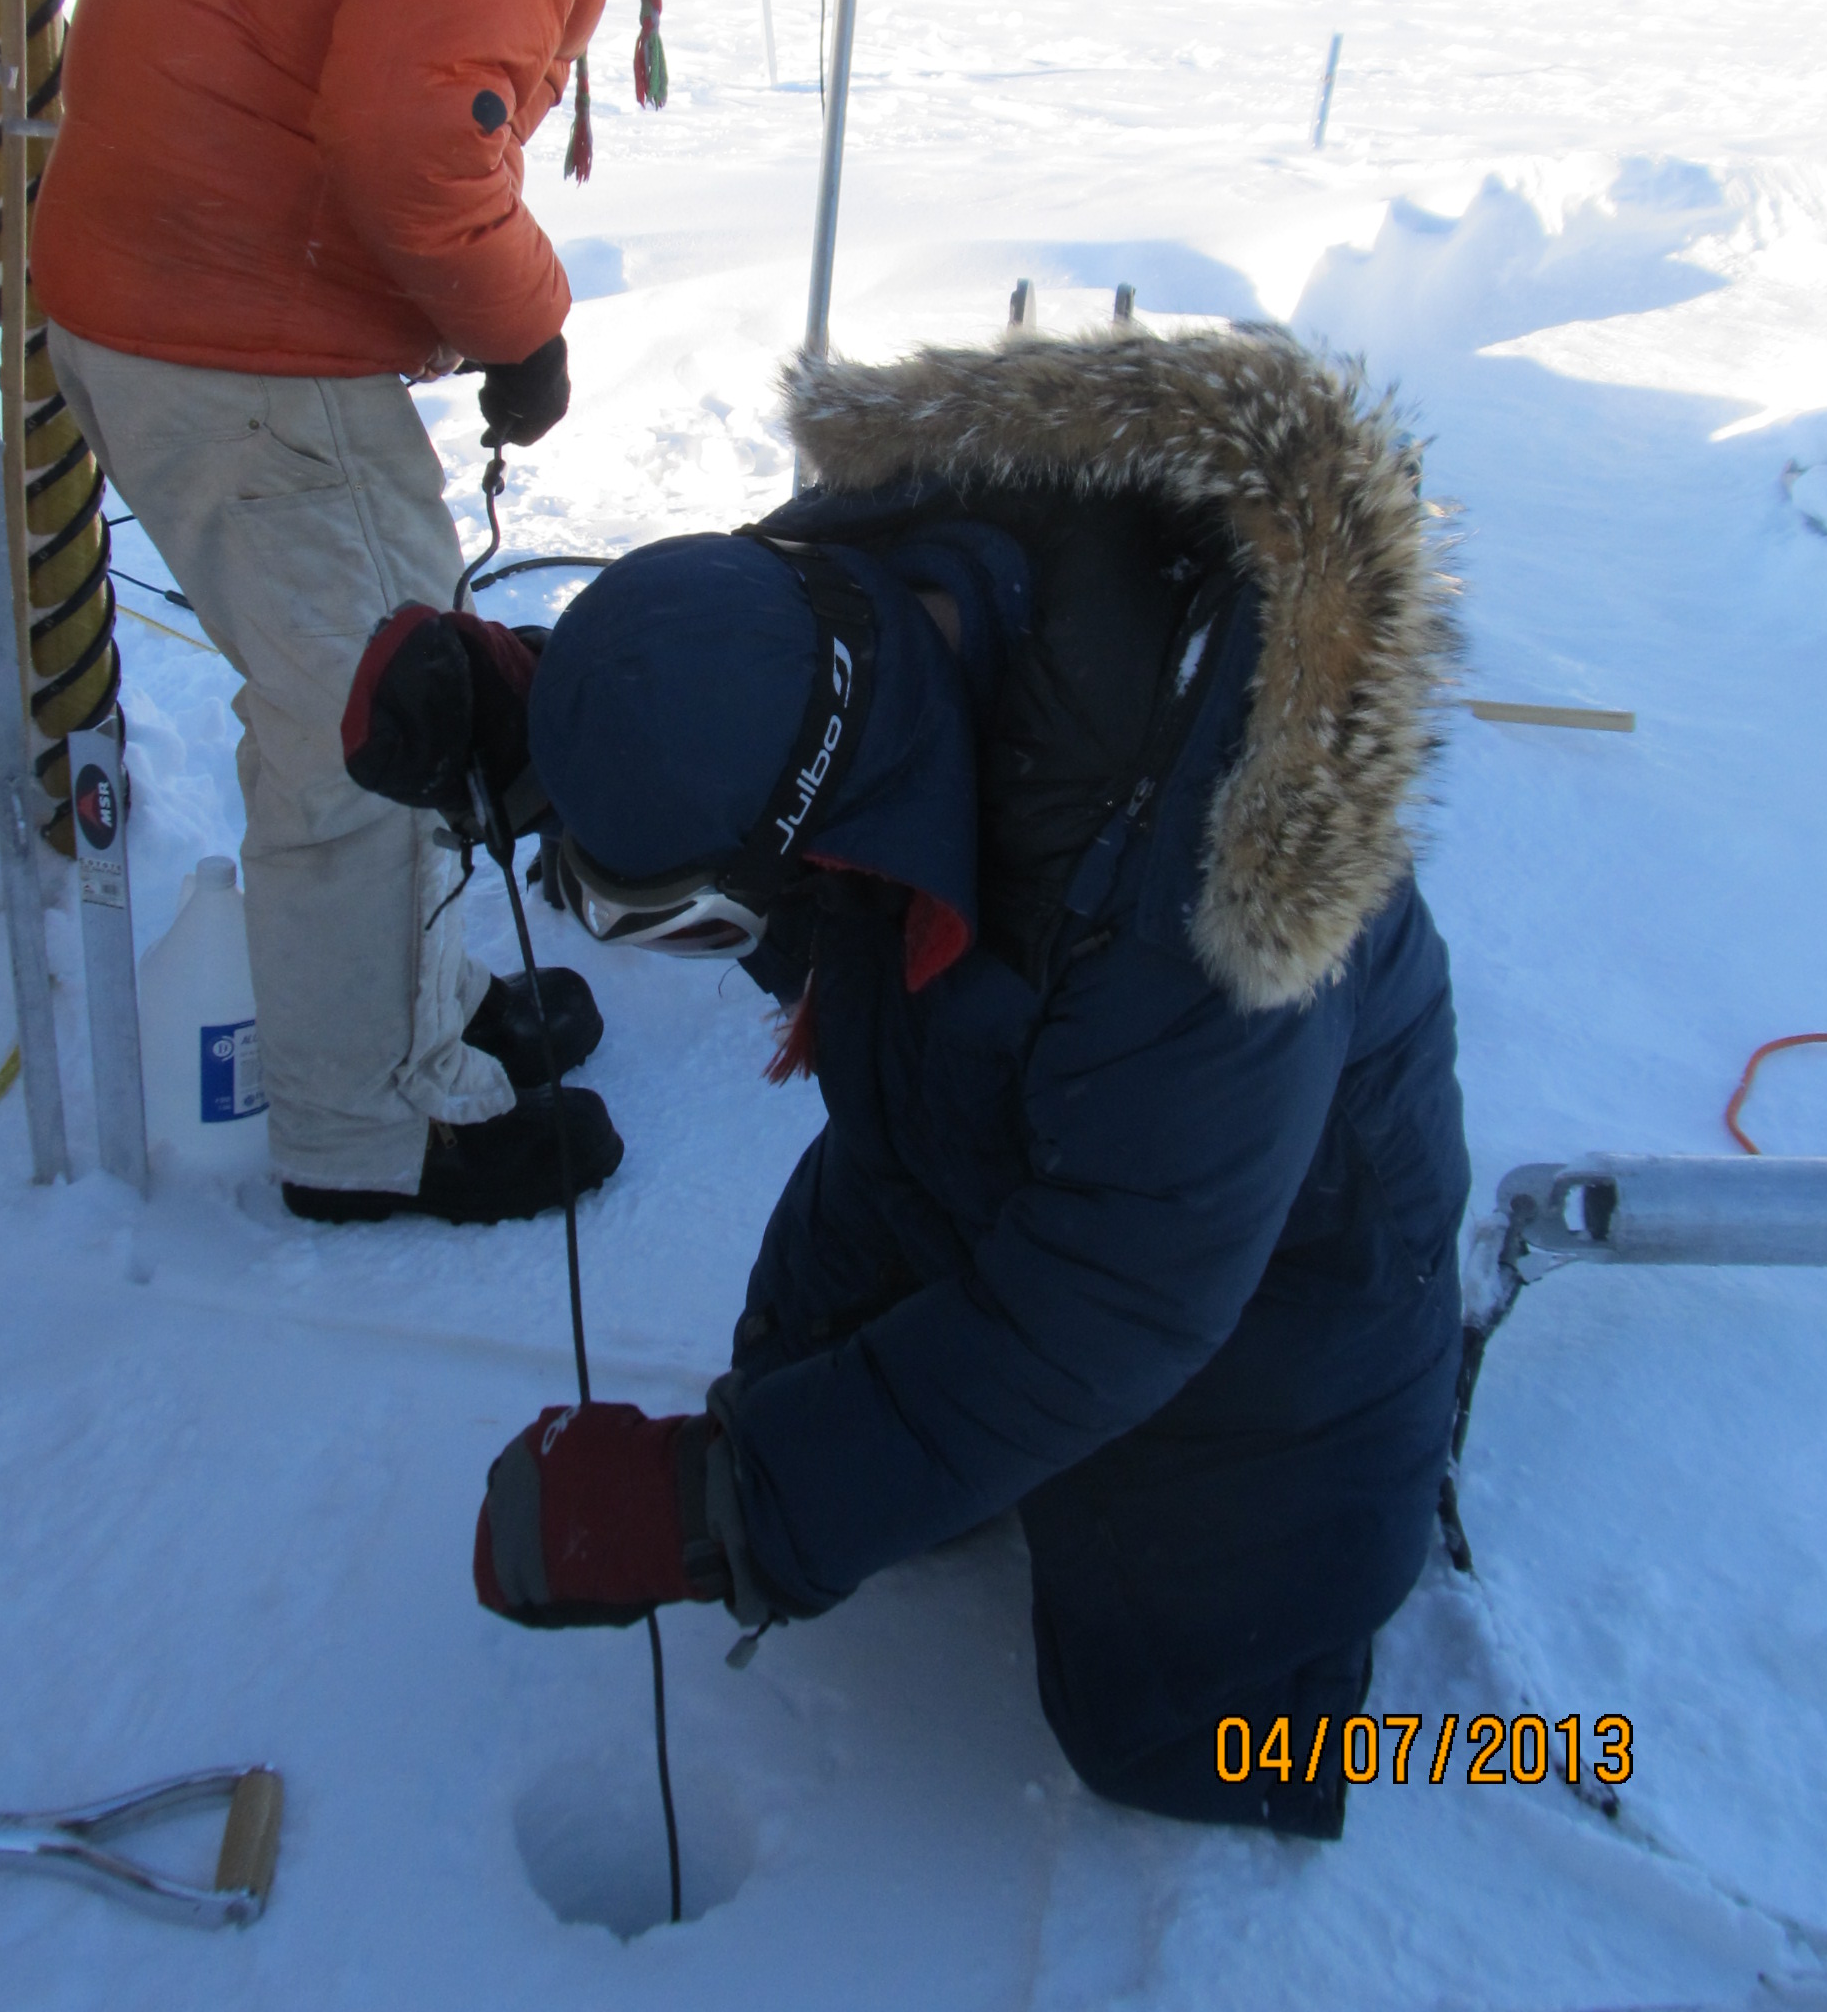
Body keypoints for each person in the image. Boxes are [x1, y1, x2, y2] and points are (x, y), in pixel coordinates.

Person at [343, 321, 1471, 1835]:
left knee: (1180, 1737)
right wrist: (548, 720)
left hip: (1275, 1261)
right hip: (963, 1098)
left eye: (685, 918)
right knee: (801, 1397)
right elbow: (744, 690)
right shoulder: (878, 586)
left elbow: (1112, 1294)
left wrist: (724, 1511)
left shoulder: (1187, 895)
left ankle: (1490, 1755)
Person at [29, 0, 849, 1223]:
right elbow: (416, 138)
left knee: (409, 661)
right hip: (232, 320)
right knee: (366, 728)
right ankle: (365, 1125)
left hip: (218, 293)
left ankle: (404, 1003)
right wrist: (525, 321)